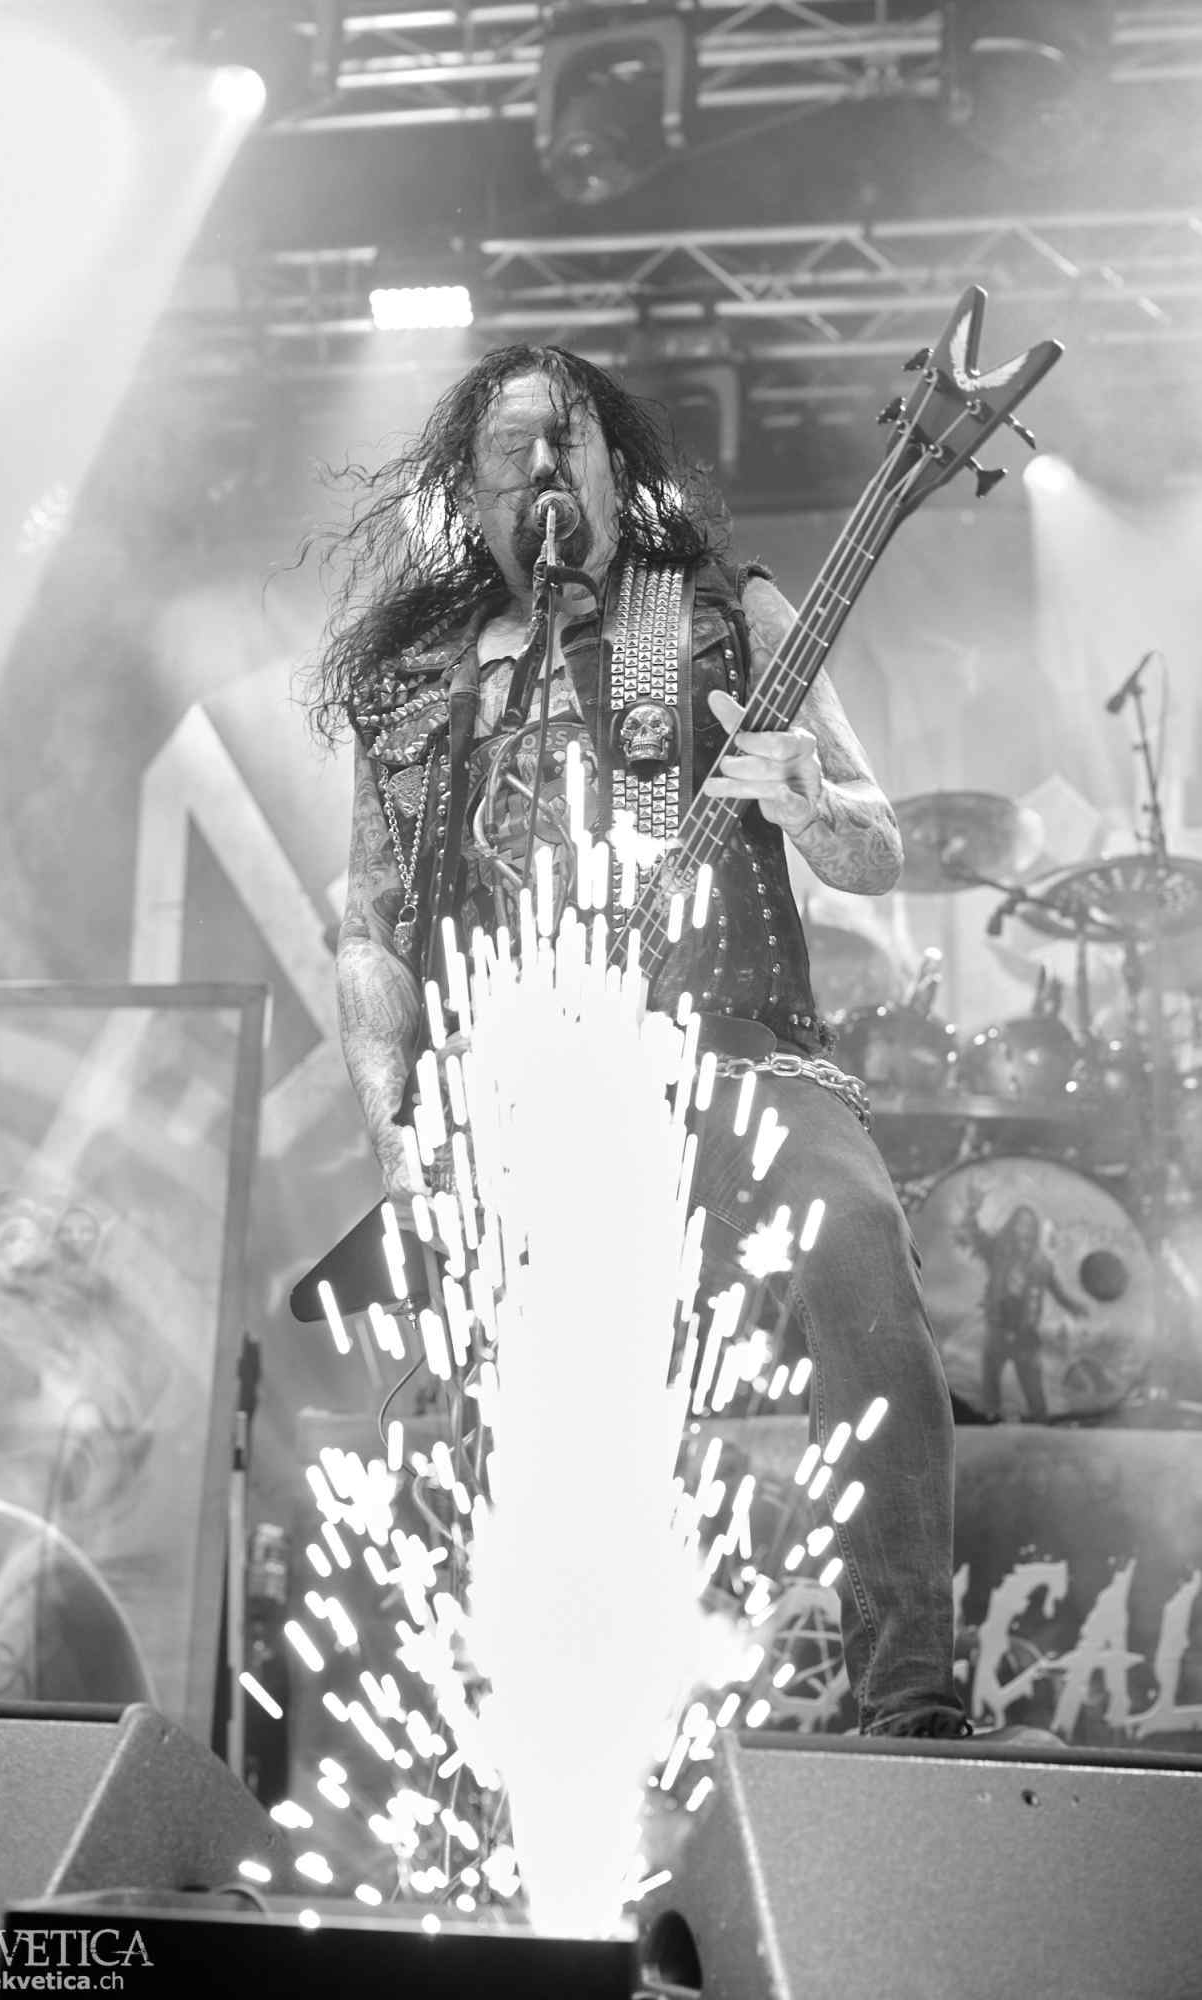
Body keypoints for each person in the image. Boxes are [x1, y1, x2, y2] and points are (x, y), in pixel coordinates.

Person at [312, 343, 1048, 1745]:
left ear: (614, 462)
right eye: (512, 447)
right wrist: (399, 1133)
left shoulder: (713, 611)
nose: (545, 466)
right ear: (467, 490)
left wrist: (805, 802)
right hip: (520, 1090)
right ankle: (542, 1741)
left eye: (571, 438)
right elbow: (370, 929)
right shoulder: (410, 684)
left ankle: (904, 1696)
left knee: (852, 1245)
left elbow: (875, 844)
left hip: (731, 1053)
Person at [957, 1195, 1089, 1421]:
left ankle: (1039, 1423)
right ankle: (990, 1420)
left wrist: (1075, 1307)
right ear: (1012, 1225)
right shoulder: (997, 1251)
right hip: (998, 1326)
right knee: (990, 1384)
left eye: (1028, 1224)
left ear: (1034, 1229)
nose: (1023, 1229)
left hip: (1025, 1332)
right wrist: (972, 1209)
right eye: (1019, 1223)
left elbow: (1057, 1291)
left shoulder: (1041, 1263)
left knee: (1033, 1388)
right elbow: (975, 1236)